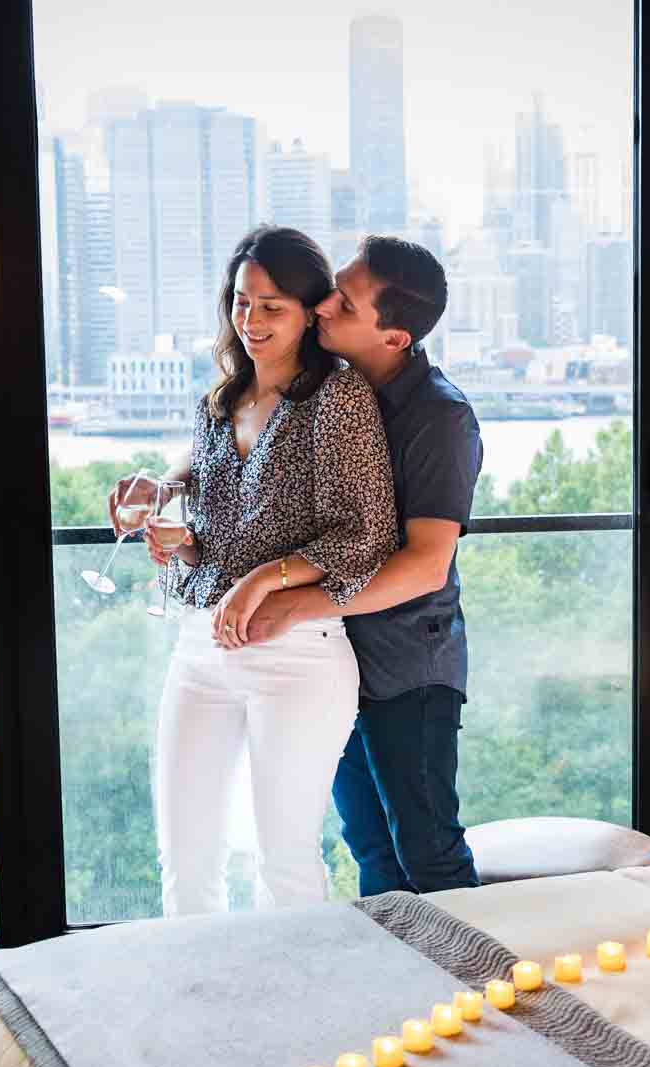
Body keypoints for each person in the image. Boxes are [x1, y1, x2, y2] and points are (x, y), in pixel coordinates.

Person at [131, 226, 398, 916]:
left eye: (272, 306)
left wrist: (266, 578)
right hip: (200, 650)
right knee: (185, 864)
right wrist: (181, 543)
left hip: (297, 658)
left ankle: (301, 1017)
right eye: (242, 303)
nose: (251, 322)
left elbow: (365, 534)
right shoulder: (218, 404)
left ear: (311, 312)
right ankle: (203, 1012)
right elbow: (219, 540)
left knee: (283, 863)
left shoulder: (337, 400)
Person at [225, 237, 484, 898]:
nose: (321, 307)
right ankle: (402, 997)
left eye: (344, 302)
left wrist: (303, 602)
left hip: (406, 668)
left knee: (425, 849)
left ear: (393, 336)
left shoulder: (440, 417)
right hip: (330, 659)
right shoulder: (322, 391)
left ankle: (485, 993)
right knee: (368, 848)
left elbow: (427, 566)